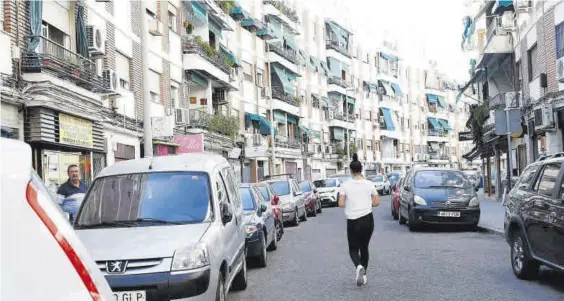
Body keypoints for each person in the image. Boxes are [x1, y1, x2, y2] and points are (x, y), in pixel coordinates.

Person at [338, 154, 380, 286]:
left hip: (353, 220)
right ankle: (364, 274)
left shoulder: (345, 185)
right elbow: (377, 202)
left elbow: (341, 203)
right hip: (368, 219)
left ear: (350, 171)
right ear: (361, 170)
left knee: (353, 249)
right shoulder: (369, 184)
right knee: (364, 247)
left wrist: (352, 203)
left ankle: (358, 266)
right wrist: (367, 204)